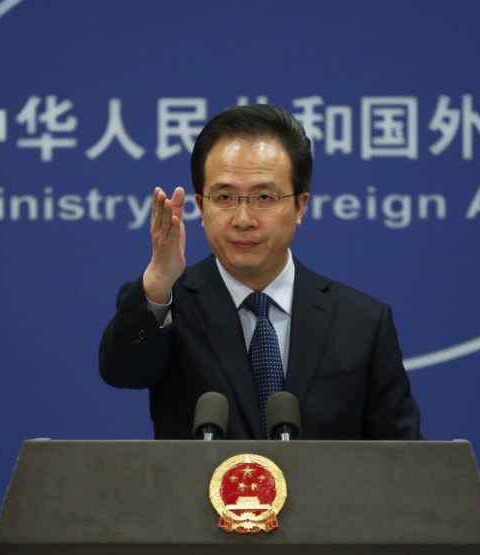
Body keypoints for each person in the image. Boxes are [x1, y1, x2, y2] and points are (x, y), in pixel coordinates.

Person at [99, 104, 422, 440]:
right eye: (225, 197)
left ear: (300, 206)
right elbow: (122, 373)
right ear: (201, 207)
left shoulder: (362, 322)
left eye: (264, 197)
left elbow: (403, 456)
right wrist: (158, 282)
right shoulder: (168, 304)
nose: (243, 219)